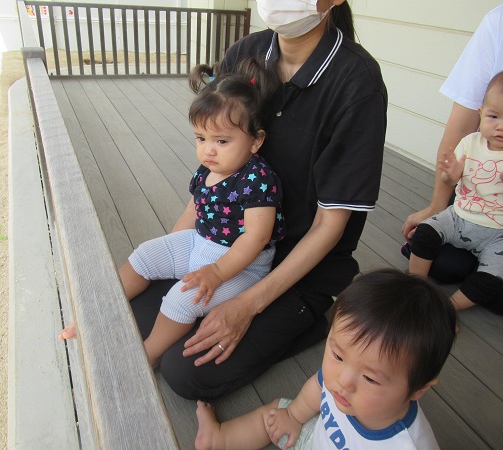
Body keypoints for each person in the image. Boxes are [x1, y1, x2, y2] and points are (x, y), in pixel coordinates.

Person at [128, 0, 387, 400]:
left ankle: (306, 320)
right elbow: (213, 178)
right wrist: (180, 254)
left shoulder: (356, 83)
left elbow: (329, 225)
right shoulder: (245, 53)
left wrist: (247, 305)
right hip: (223, 247)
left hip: (298, 268)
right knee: (143, 309)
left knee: (183, 369)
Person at [60, 60, 286, 368]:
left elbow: (256, 238)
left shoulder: (258, 179)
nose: (209, 150)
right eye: (201, 138)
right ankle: (96, 312)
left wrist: (217, 272)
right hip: (199, 243)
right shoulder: (208, 169)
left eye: (222, 141)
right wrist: (168, 251)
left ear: (255, 141)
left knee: (183, 299)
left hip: (240, 266)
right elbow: (194, 209)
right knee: (145, 254)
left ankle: (148, 354)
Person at [194, 269, 457, 450]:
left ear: (419, 388)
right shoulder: (344, 382)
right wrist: (294, 415)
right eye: (338, 355)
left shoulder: (404, 445)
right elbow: (318, 387)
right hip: (314, 437)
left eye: (370, 378)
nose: (343, 381)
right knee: (274, 414)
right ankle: (218, 438)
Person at [401, 0, 503, 315]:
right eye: (493, 116)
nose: (501, 127)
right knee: (432, 250)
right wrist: (441, 194)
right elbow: (457, 141)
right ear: (482, 112)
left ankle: (447, 309)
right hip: (466, 213)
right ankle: (413, 289)